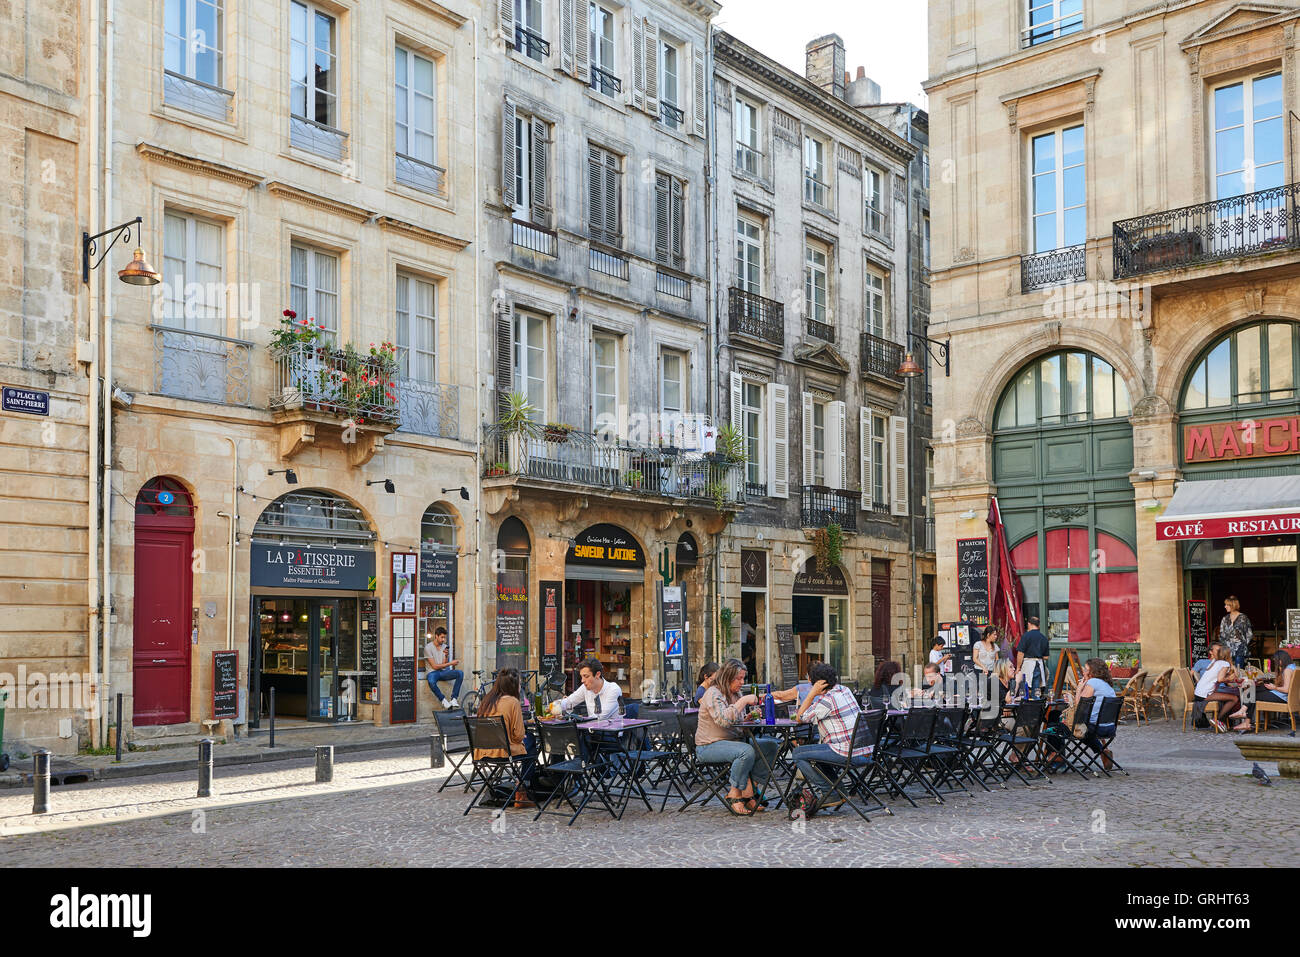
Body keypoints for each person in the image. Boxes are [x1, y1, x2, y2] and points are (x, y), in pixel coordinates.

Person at [696, 658, 781, 815]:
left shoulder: (735, 693)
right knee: (746, 751)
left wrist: (747, 719)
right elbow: (723, 720)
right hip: (709, 745)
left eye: (743, 678)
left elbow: (736, 723)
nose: (742, 682)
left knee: (770, 747)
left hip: (733, 742)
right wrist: (743, 701)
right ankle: (734, 793)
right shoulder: (713, 693)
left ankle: (750, 790)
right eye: (738, 678)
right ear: (727, 677)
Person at [790, 662, 869, 814]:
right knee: (818, 753)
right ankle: (838, 791)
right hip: (863, 752)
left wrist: (812, 694)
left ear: (818, 684)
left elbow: (800, 717)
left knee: (798, 754)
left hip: (848, 754)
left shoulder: (826, 701)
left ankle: (829, 791)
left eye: (811, 682)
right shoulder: (844, 690)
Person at [473, 668, 536, 803]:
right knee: (531, 740)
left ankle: (519, 785)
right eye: (519, 683)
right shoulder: (513, 702)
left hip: (482, 751)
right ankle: (522, 790)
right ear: (513, 685)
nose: (521, 686)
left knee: (528, 741)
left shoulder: (486, 700)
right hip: (503, 751)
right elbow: (519, 735)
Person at [1194, 645, 1246, 732]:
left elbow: (1221, 678)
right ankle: (1218, 720)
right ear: (1228, 655)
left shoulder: (1215, 662)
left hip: (1199, 692)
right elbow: (1220, 679)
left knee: (1228, 696)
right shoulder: (1224, 664)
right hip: (1205, 694)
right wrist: (1229, 678)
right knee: (1234, 698)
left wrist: (1231, 668)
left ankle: (1221, 720)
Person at [551, 657, 622, 719]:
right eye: (581, 676)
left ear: (597, 674)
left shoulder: (613, 689)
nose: (582, 680)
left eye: (586, 676)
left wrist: (579, 718)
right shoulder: (585, 688)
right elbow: (570, 701)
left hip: (610, 732)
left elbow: (600, 717)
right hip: (591, 730)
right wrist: (553, 706)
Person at [423, 627, 462, 710]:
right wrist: (451, 663)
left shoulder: (444, 647)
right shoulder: (428, 648)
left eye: (444, 637)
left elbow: (443, 664)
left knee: (460, 673)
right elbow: (434, 666)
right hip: (432, 672)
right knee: (431, 681)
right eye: (442, 637)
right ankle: (444, 700)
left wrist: (446, 656)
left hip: (443, 672)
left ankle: (454, 699)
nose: (443, 640)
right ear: (436, 636)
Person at [1015, 616, 1050, 695]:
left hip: (1028, 664)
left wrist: (1018, 667)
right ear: (1039, 625)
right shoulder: (1044, 638)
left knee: (1024, 689)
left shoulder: (1026, 636)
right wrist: (1038, 655)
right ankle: (1036, 704)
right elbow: (1046, 657)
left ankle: (1027, 705)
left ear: (1029, 624)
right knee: (1037, 690)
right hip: (1039, 665)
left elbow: (1020, 653)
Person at [1219, 596, 1253, 669]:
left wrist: (1242, 644)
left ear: (1233, 605)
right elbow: (1221, 634)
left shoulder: (1243, 618)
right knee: (1228, 671)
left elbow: (1249, 634)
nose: (1225, 607)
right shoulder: (1225, 619)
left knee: (1238, 671)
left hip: (1239, 650)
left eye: (1227, 605)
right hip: (1227, 651)